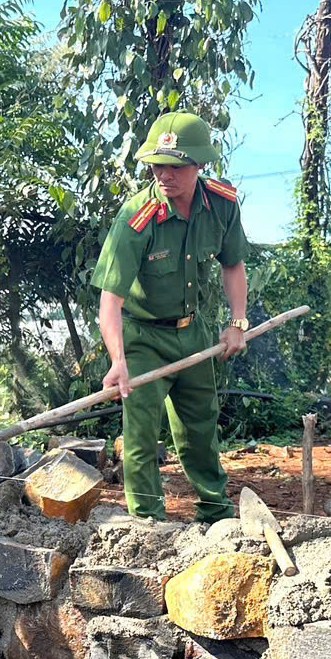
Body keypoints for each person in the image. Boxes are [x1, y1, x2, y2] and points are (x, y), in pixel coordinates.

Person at [92, 111, 249, 522]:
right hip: (142, 339)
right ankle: (148, 523)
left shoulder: (221, 204)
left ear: (199, 165)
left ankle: (216, 514)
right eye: (157, 166)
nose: (165, 176)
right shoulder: (136, 219)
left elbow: (232, 265)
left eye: (176, 167)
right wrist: (118, 360)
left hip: (193, 331)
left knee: (200, 427)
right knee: (141, 436)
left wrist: (237, 323)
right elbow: (110, 300)